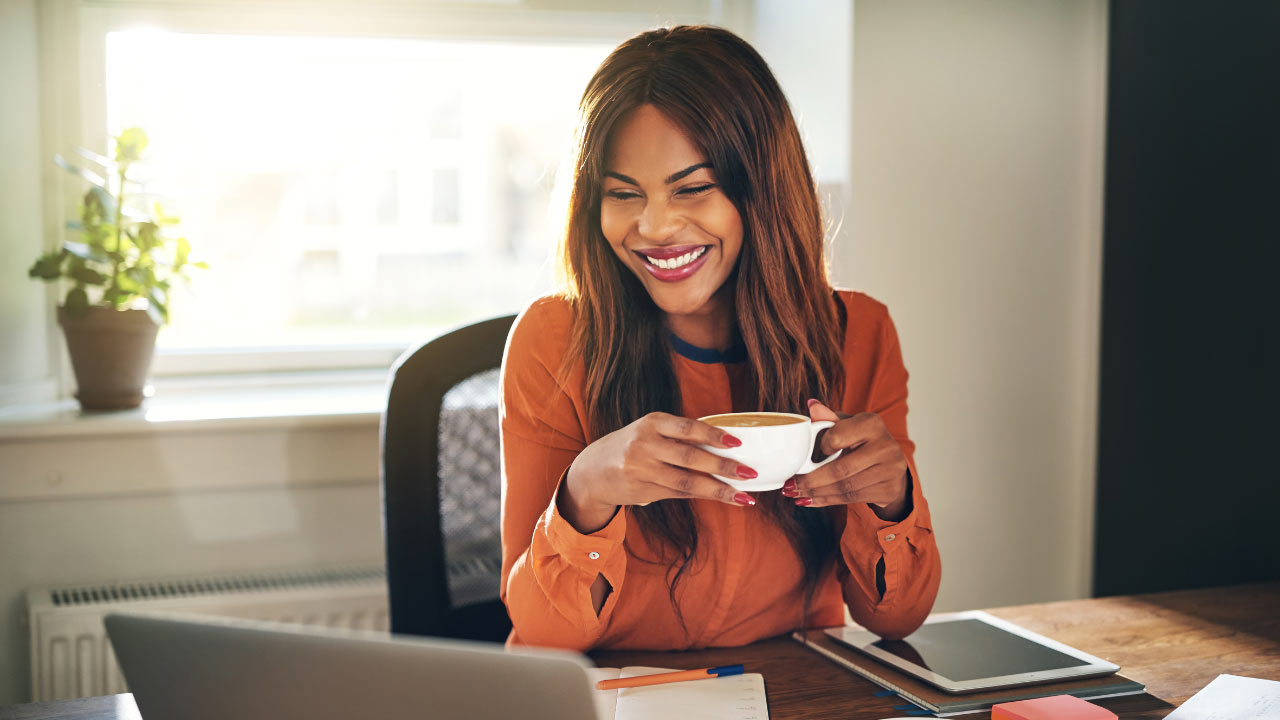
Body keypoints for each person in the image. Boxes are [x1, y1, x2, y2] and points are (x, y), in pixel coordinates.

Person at [499, 25, 940, 652]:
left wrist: (892, 500)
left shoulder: (858, 333)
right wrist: (585, 491)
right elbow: (544, 637)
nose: (653, 226)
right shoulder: (553, 341)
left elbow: (896, 619)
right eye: (623, 194)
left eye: (693, 189)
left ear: (761, 190)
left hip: (786, 696)